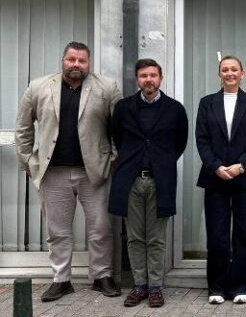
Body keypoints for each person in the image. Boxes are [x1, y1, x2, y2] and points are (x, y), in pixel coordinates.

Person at [15, 41, 122, 302]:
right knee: (58, 231)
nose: (76, 65)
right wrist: (27, 161)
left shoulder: (107, 87)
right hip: (53, 172)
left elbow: (119, 128)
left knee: (100, 228)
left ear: (88, 63)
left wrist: (112, 160)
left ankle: (101, 276)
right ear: (63, 60)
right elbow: (23, 128)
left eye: (82, 60)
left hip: (93, 173)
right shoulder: (38, 87)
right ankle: (61, 280)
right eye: (71, 59)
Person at [108, 59, 188, 308]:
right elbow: (117, 137)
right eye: (143, 76)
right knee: (134, 238)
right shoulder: (123, 108)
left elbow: (180, 142)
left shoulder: (175, 109)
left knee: (156, 239)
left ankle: (155, 287)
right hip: (130, 181)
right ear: (137, 80)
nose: (149, 80)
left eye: (153, 75)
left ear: (160, 78)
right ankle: (139, 286)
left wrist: (161, 162)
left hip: (160, 181)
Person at [195, 56, 246, 305]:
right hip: (215, 178)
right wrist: (215, 166)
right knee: (217, 235)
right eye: (225, 70)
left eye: (234, 69)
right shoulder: (207, 103)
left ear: (242, 73)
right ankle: (217, 286)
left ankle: (242, 285)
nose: (229, 73)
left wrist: (241, 166)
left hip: (245, 178)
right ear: (219, 74)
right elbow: (202, 140)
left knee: (245, 234)